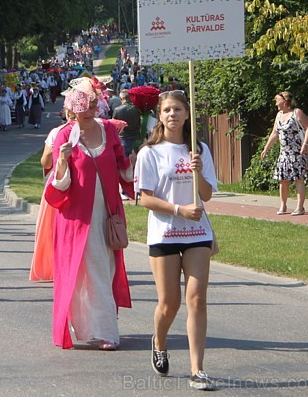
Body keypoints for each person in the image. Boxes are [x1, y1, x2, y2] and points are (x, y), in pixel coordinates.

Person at [134, 90, 218, 391]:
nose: (172, 115)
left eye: (178, 109)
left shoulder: (199, 149)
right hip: (164, 234)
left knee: (197, 299)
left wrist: (198, 173)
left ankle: (198, 369)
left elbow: (207, 195)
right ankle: (159, 340)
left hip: (197, 234)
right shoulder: (150, 153)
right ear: (160, 115)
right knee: (169, 303)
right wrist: (178, 210)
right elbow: (143, 199)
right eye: (167, 110)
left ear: (187, 115)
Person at [43, 78, 133, 350]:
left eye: (92, 106)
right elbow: (59, 185)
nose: (87, 112)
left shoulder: (108, 130)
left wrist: (139, 162)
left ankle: (106, 329)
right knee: (79, 272)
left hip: (106, 214)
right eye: (81, 108)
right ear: (71, 110)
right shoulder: (64, 135)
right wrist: (61, 160)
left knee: (103, 269)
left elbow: (123, 168)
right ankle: (88, 328)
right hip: (75, 217)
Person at [29, 110, 74, 282]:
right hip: (59, 183)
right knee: (54, 227)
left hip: (83, 185)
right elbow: (45, 162)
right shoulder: (57, 132)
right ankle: (57, 266)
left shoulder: (92, 130)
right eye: (69, 111)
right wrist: (56, 148)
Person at [260, 91, 308, 215]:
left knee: (298, 179)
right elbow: (274, 133)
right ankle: (283, 206)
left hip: (298, 152)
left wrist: (305, 145)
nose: (276, 103)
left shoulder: (297, 113)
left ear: (285, 101)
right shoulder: (279, 115)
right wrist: (266, 149)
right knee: (283, 179)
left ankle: (300, 207)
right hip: (284, 153)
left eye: (277, 100)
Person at [112, 90, 141, 157]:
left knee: (125, 162)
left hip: (124, 138)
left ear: (121, 99)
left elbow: (114, 125)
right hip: (136, 137)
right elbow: (139, 123)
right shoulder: (137, 108)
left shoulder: (117, 109)